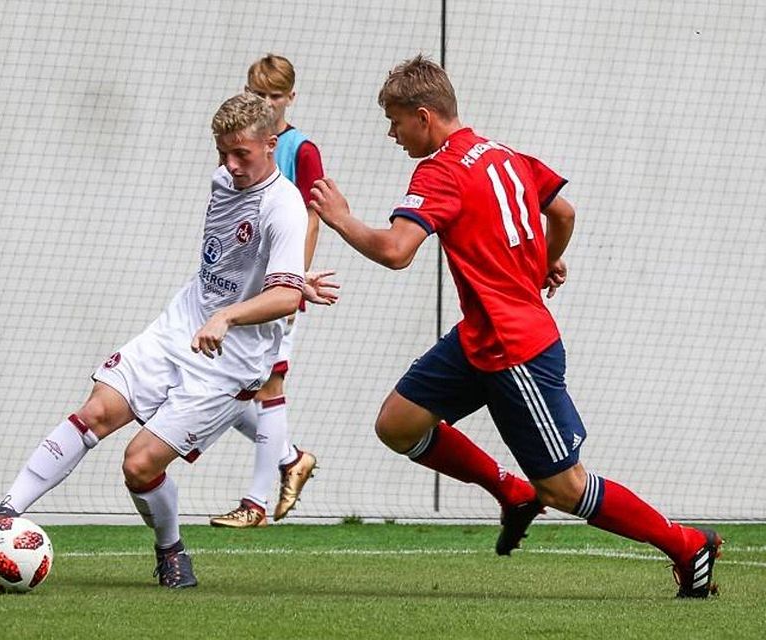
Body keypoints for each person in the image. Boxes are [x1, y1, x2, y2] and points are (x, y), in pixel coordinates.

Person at [309, 54, 721, 598]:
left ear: (424, 115)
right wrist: (542, 261)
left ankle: (688, 544)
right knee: (398, 424)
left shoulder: (440, 171)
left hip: (516, 349)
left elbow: (395, 251)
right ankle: (510, 490)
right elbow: (565, 212)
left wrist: (340, 217)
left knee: (565, 488)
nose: (392, 133)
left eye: (395, 120)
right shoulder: (504, 153)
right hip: (480, 334)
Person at [0, 91, 338, 588]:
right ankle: (3, 512)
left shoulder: (284, 208)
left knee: (138, 464)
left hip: (229, 359)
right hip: (179, 326)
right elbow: (239, 265)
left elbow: (282, 301)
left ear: (270, 144)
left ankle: (170, 550)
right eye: (222, 152)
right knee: (95, 412)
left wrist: (233, 315)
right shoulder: (222, 181)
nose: (230, 164)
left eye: (241, 153)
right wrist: (278, 283)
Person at [210, 54, 327, 528]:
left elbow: (314, 217)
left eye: (275, 96)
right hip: (241, 289)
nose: (266, 103)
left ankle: (255, 504)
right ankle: (291, 458)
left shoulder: (300, 149)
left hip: (279, 285)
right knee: (235, 386)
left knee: (269, 383)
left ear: (290, 98)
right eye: (257, 94)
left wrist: (295, 281)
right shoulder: (242, 146)